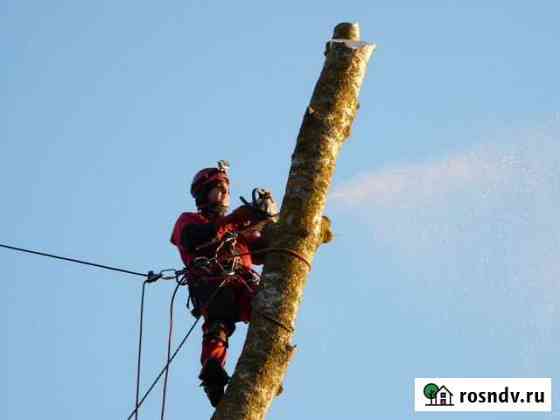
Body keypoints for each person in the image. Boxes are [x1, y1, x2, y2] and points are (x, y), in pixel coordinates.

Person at [170, 160, 276, 407]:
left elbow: (265, 247)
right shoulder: (189, 221)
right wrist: (240, 218)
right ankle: (213, 373)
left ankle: (266, 363)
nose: (225, 193)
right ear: (203, 194)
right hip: (214, 284)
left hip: (246, 287)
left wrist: (267, 218)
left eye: (227, 188)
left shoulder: (238, 231)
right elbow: (194, 239)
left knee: (270, 315)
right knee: (219, 322)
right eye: (219, 188)